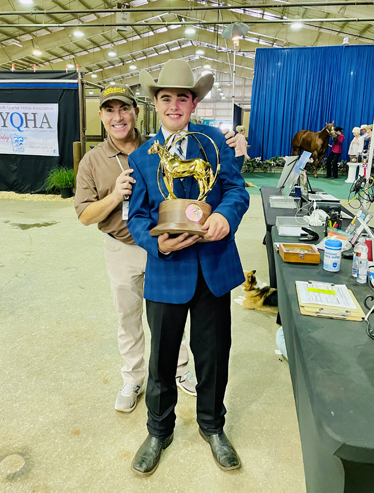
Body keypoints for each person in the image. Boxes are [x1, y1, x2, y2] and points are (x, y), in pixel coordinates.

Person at [74, 84, 238, 413]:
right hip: (137, 252)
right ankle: (141, 395)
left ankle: (196, 397)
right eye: (109, 110)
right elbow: (99, 215)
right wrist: (121, 203)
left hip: (191, 255)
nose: (117, 116)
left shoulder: (192, 143)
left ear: (137, 112)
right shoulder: (112, 159)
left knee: (193, 337)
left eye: (124, 109)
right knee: (134, 323)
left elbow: (232, 188)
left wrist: (223, 214)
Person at [127, 59, 249, 476]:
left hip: (213, 266)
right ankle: (159, 431)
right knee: (161, 360)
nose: (175, 105)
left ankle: (213, 426)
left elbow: (236, 190)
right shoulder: (143, 157)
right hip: (167, 272)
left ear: (193, 103)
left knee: (213, 354)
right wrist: (154, 241)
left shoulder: (213, 142)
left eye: (183, 97)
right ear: (155, 104)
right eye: (166, 98)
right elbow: (137, 216)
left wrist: (225, 217)